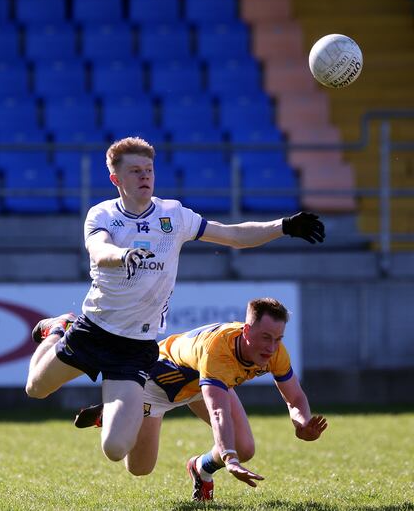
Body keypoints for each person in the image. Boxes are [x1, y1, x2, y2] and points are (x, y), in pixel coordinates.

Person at [24, 137, 325, 469]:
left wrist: (282, 227)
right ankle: (57, 328)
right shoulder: (103, 214)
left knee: (115, 449)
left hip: (135, 347)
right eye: (135, 171)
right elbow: (99, 250)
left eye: (149, 170)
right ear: (116, 179)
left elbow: (233, 235)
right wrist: (123, 255)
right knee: (35, 389)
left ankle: (121, 405)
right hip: (94, 330)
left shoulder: (173, 215)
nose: (145, 177)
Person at [72, 297, 328, 502]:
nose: (271, 348)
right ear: (247, 330)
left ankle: (200, 469)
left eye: (278, 339)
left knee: (245, 448)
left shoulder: (274, 352)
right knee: (140, 469)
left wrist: (302, 422)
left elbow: (294, 396)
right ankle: (119, 411)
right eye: (266, 338)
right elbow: (218, 412)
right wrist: (230, 459)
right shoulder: (218, 350)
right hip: (157, 385)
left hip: (200, 384)